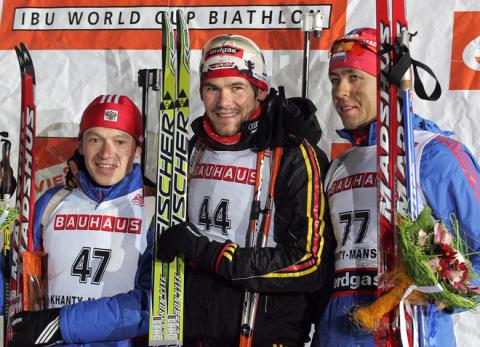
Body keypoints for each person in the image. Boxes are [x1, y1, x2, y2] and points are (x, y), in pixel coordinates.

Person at [156, 34, 334, 347]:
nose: (224, 103)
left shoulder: (293, 155)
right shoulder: (190, 151)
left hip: (263, 337)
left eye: (236, 88)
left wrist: (208, 253)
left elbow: (307, 263)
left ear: (259, 90)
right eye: (213, 88)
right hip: (193, 335)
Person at [312, 27, 480, 346]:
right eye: (335, 80)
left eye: (353, 77)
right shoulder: (338, 166)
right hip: (339, 336)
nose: (340, 91)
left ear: (386, 80)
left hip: (413, 333)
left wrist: (440, 293)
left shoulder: (432, 154)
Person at [10, 94, 153, 346]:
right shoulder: (51, 202)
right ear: (81, 145)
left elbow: (151, 305)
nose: (106, 154)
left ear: (137, 149)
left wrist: (59, 324)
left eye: (119, 141)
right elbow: (13, 276)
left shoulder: (154, 210)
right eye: (95, 139)